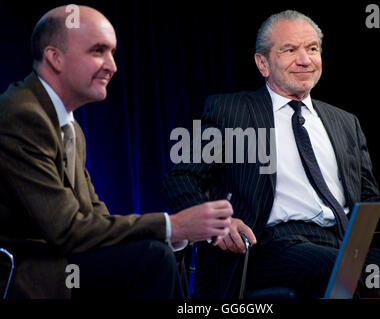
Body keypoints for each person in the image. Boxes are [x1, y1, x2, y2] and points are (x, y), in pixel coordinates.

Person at [162, 10, 380, 299]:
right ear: (262, 63)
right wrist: (217, 226)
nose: (305, 59)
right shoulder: (231, 113)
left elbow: (366, 204)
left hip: (344, 243)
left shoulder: (344, 122)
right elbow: (181, 179)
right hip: (269, 244)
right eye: (290, 50)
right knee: (337, 271)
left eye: (312, 49)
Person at [0, 5, 232, 299]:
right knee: (151, 258)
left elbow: (94, 215)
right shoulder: (23, 115)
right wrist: (171, 225)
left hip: (64, 263)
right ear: (55, 57)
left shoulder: (70, 128)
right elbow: (67, 230)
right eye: (98, 51)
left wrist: (179, 232)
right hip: (31, 272)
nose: (112, 66)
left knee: (159, 252)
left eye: (112, 52)